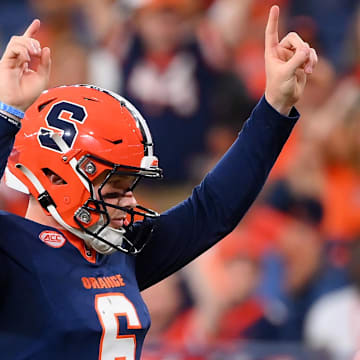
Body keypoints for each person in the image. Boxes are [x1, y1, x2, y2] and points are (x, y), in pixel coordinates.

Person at [0, 5, 317, 359]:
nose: (130, 201)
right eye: (116, 186)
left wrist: (275, 105)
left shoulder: (119, 251)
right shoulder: (13, 251)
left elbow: (213, 210)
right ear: (57, 176)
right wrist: (7, 112)